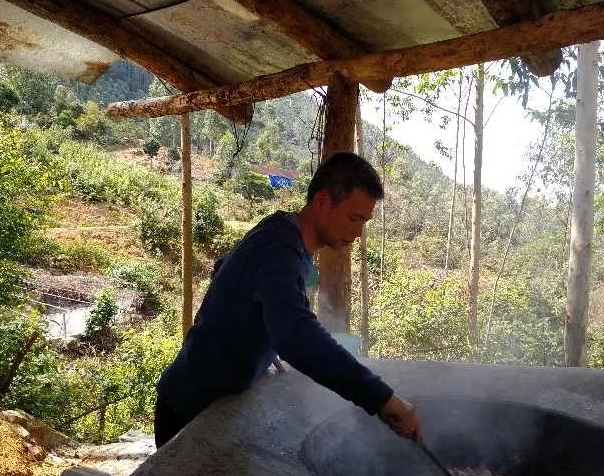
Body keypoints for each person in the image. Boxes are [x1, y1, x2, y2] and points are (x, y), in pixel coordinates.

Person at [154, 152, 422, 447]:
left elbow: (225, 267)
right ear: (322, 202)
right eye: (353, 218)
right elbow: (296, 335)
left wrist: (266, 345)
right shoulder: (280, 249)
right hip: (189, 408)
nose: (358, 232)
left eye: (364, 221)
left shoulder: (285, 236)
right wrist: (382, 398)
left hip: (217, 401)